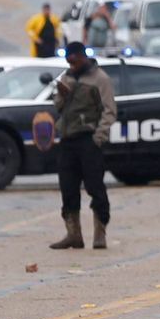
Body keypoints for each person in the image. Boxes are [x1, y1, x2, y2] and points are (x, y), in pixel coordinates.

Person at [49, 42, 115, 250]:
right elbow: (59, 107)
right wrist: (62, 94)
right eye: (68, 61)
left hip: (89, 140)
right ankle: (73, 234)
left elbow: (109, 109)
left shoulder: (100, 79)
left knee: (95, 187)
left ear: (83, 57)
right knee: (68, 188)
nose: (71, 64)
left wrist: (99, 137)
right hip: (68, 140)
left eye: (74, 60)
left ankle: (100, 233)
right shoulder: (66, 78)